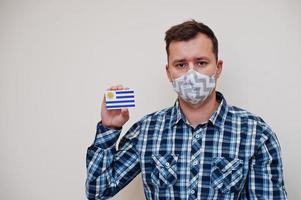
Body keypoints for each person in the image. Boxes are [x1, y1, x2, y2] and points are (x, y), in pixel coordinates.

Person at [85, 19, 287, 200]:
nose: (191, 74)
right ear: (168, 72)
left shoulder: (256, 133)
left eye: (201, 63)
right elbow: (98, 190)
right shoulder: (146, 131)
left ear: (218, 67)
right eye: (181, 64)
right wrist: (108, 129)